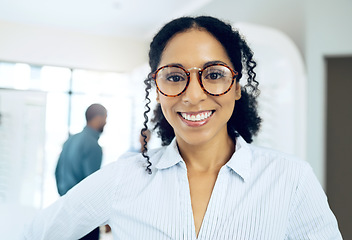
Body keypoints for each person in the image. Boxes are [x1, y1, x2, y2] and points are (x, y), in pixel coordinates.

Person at [23, 16, 342, 239]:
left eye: (214, 74)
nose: (192, 95)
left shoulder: (291, 179)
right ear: (158, 89)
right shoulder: (123, 179)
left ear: (236, 87)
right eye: (175, 77)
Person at [54, 103, 107, 240]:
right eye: (105, 118)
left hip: (65, 210)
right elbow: (92, 185)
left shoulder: (70, 140)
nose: (106, 122)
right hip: (85, 216)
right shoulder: (93, 146)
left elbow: (57, 171)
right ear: (97, 118)